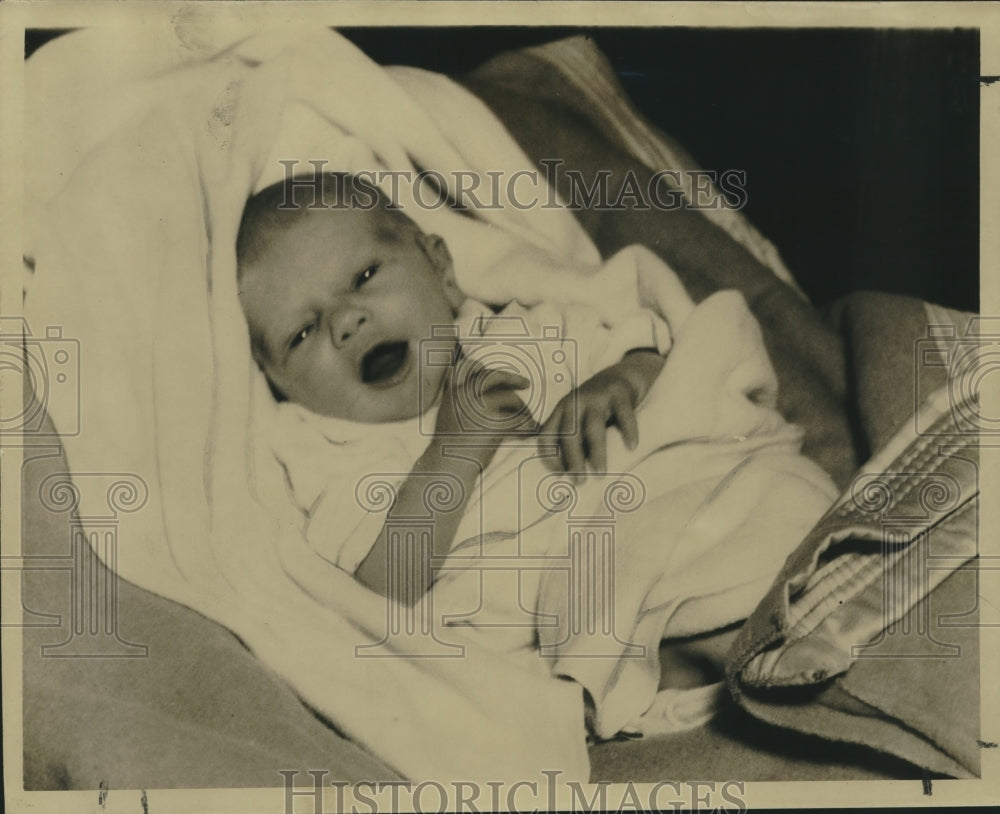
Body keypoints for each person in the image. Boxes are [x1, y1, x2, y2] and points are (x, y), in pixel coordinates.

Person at [237, 172, 673, 604]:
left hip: (663, 517)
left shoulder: (525, 332)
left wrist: (616, 381)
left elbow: (659, 360)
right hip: (581, 602)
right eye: (301, 333)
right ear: (279, 384)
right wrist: (450, 454)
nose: (346, 322)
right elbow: (381, 590)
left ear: (440, 268)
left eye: (364, 276)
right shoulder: (332, 450)